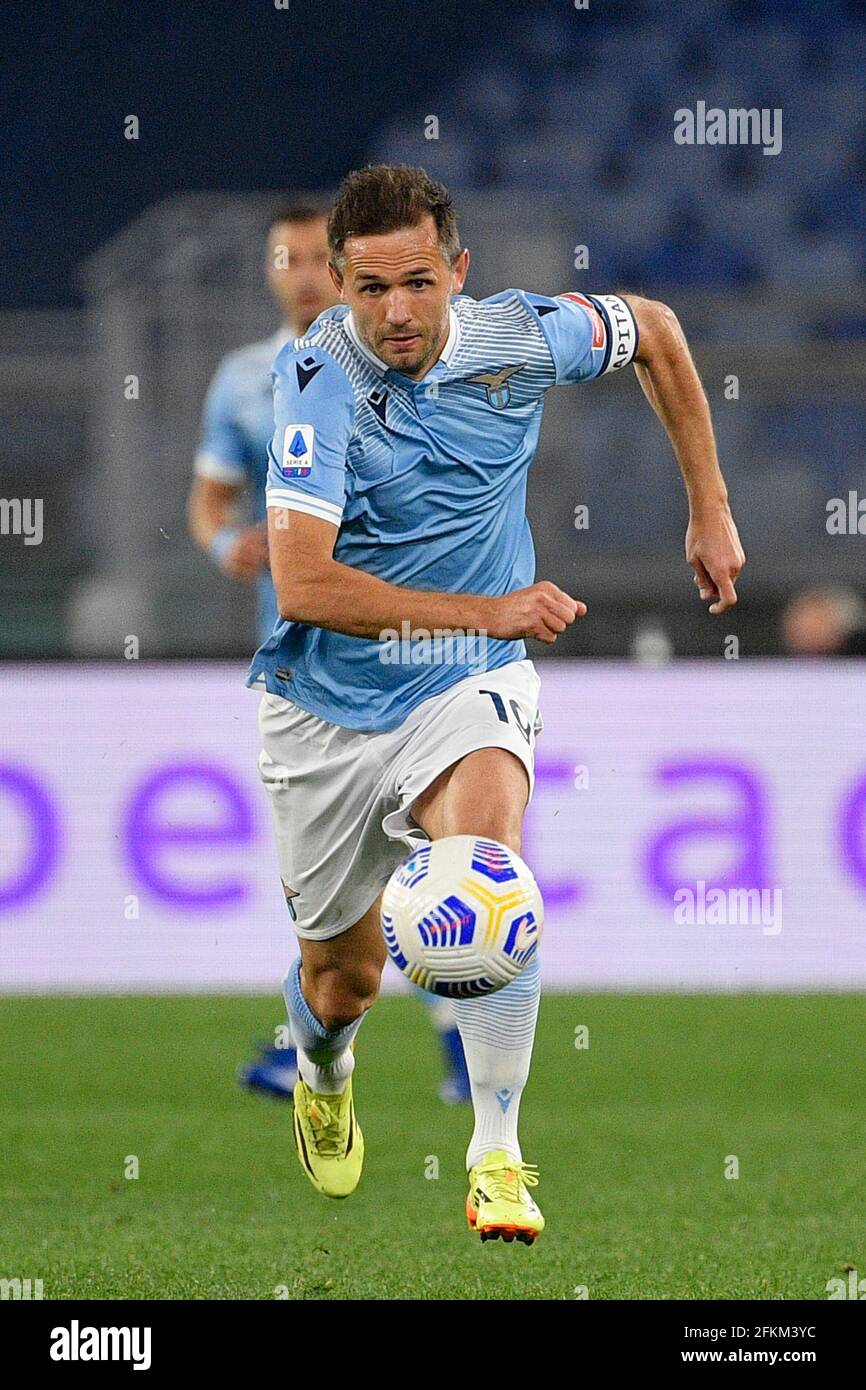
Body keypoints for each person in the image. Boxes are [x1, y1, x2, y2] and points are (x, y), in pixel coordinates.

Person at [247, 163, 745, 1242]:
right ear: (337, 286)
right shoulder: (313, 381)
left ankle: (497, 1152)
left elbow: (652, 330)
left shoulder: (517, 336)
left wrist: (707, 505)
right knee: (343, 981)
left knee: (488, 868)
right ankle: (323, 1070)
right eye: (369, 289)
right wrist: (488, 608)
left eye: (417, 283)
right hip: (325, 705)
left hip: (462, 683)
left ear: (457, 273)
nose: (395, 313)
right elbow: (305, 586)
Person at [189, 200, 471, 1104]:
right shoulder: (244, 377)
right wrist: (219, 542)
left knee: (446, 844)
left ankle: (463, 1043)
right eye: (290, 257)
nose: (305, 273)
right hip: (311, 656)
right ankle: (319, 1038)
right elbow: (211, 497)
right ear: (273, 270)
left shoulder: (409, 357)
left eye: (320, 257)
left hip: (426, 650)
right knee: (340, 884)